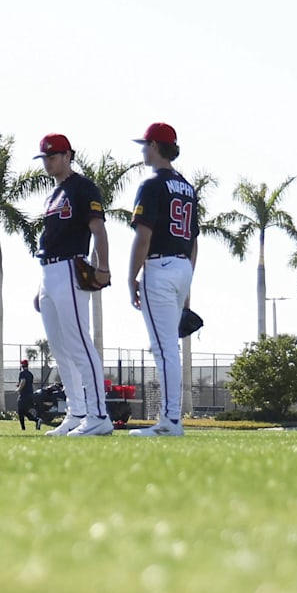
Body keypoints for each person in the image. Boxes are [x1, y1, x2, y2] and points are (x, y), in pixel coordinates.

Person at [33, 133, 114, 436]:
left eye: (52, 156)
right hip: (49, 272)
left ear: (68, 155)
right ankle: (76, 410)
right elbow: (51, 239)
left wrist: (103, 266)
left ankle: (98, 414)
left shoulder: (83, 187)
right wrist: (39, 287)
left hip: (71, 267)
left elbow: (98, 229)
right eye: (45, 157)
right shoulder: (53, 193)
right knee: (59, 347)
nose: (48, 162)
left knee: (79, 343)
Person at [127, 123, 195, 437]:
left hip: (160, 267)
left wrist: (132, 276)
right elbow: (194, 240)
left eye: (145, 144)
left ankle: (170, 422)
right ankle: (170, 420)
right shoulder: (187, 187)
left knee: (164, 349)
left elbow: (143, 236)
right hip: (182, 266)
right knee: (170, 348)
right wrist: (187, 279)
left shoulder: (152, 184)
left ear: (155, 146)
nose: (143, 149)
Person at [16, 358, 37, 430]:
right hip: (30, 394)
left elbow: (23, 381)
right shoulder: (30, 374)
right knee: (24, 411)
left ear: (22, 365)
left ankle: (23, 428)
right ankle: (37, 420)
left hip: (24, 395)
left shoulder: (22, 373)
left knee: (20, 410)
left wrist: (19, 388)